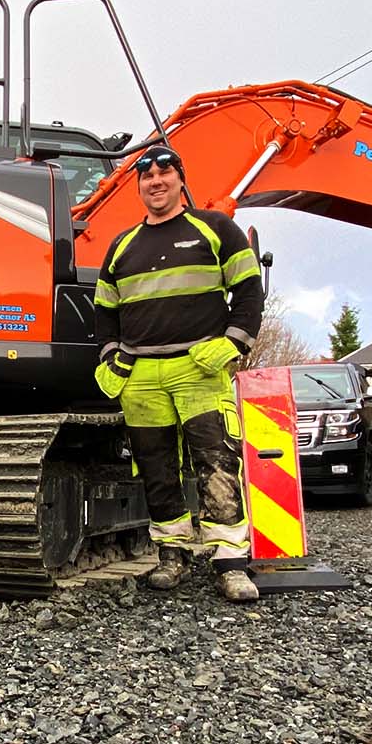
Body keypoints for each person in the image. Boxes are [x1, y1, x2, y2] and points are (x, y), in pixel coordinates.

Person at [91, 145, 264, 602]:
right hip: (142, 375)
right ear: (139, 186)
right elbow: (104, 311)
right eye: (147, 177)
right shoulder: (122, 245)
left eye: (165, 173)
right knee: (156, 469)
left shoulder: (216, 229)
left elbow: (249, 292)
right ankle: (173, 555)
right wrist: (112, 356)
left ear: (180, 180)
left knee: (217, 463)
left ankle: (229, 562)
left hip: (198, 369)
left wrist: (234, 342)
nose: (156, 182)